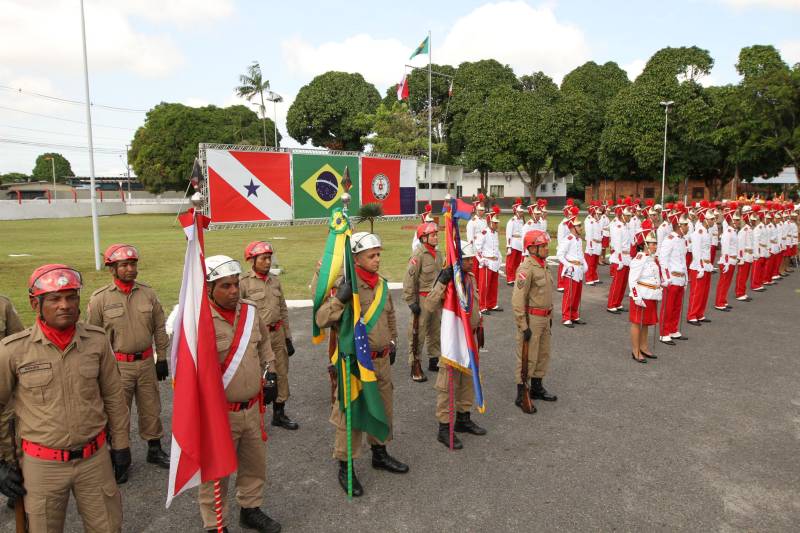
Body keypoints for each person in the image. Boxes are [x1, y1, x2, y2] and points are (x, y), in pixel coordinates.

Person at [0, 264, 129, 532]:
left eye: (71, 297)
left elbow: (114, 397)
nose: (64, 305)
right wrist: (1, 463)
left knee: (108, 527)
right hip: (41, 466)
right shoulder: (12, 351)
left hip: (94, 460)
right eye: (55, 299)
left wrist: (121, 445)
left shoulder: (96, 340)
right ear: (35, 304)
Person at [316, 232, 408, 497]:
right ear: (356, 258)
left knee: (384, 408)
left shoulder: (382, 285)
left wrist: (393, 342)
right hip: (355, 364)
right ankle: (346, 467)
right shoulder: (346, 286)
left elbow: (389, 316)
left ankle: (380, 453)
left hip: (381, 361)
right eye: (371, 255)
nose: (377, 260)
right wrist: (340, 298)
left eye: (379, 254)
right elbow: (322, 318)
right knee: (352, 415)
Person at [198, 255, 280, 533]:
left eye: (236, 284)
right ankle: (214, 524)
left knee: (254, 464)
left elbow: (264, 346)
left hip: (252, 409)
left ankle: (251, 509)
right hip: (220, 413)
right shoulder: (198, 321)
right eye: (225, 286)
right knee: (216, 473)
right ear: (208, 288)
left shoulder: (250, 312)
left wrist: (271, 375)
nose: (234, 291)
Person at [86, 244, 170, 481]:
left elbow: (159, 327)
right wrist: (96, 371)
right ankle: (119, 454)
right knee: (117, 412)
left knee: (151, 407)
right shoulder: (100, 299)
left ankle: (154, 449)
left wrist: (161, 357)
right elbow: (92, 338)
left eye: (133, 264)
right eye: (124, 265)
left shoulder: (148, 293)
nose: (130, 269)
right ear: (112, 269)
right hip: (117, 367)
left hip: (145, 362)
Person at [425, 241, 486, 449]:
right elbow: (430, 305)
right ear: (457, 261)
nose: (471, 262)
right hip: (453, 341)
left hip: (470, 339)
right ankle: (444, 428)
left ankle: (463, 418)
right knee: (448, 384)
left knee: (467, 380)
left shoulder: (470, 279)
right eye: (466, 259)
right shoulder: (449, 282)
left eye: (472, 258)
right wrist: (442, 281)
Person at [240, 241, 299, 431]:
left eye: (269, 258)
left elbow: (283, 310)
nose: (267, 262)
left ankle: (279, 414)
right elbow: (238, 316)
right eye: (263, 259)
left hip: (278, 334)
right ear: (252, 260)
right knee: (258, 377)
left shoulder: (275, 281)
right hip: (257, 339)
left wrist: (288, 338)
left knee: (281, 374)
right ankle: (256, 418)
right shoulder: (243, 284)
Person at [511, 230, 557, 413]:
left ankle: (537, 387)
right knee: (527, 357)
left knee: (543, 354)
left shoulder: (543, 265)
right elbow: (517, 299)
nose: (547, 248)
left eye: (546, 245)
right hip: (532, 319)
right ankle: (522, 393)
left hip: (545, 317)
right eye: (543, 246)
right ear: (532, 248)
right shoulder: (527, 268)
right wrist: (523, 324)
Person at [403, 222, 443, 380]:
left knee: (435, 330)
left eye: (436, 234)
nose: (436, 237)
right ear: (424, 238)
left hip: (436, 298)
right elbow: (409, 280)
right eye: (433, 235)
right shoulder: (418, 255)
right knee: (417, 333)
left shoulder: (438, 254)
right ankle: (415, 363)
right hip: (422, 299)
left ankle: (434, 358)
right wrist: (411, 301)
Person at [0, 295, 24, 510]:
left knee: (9, 437)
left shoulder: (3, 304)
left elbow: (19, 344)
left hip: (3, 385)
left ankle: (12, 480)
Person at [628, 227, 661, 362]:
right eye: (652, 243)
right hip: (641, 296)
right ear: (645, 245)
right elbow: (632, 280)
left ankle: (644, 347)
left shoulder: (651, 259)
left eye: (655, 243)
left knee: (646, 323)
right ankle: (635, 351)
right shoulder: (639, 259)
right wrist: (636, 297)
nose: (655, 245)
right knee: (637, 323)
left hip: (651, 295)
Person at [657, 207, 690, 345]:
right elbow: (662, 260)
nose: (688, 226)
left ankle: (673, 329)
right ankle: (664, 333)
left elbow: (683, 260)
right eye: (685, 224)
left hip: (681, 278)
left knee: (677, 306)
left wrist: (686, 278)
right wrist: (665, 278)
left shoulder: (682, 239)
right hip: (672, 278)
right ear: (678, 225)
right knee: (668, 306)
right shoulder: (669, 239)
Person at [556, 218, 588, 327]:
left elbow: (581, 255)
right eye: (578, 226)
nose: (581, 228)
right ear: (573, 228)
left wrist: (585, 264)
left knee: (577, 294)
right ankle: (566, 317)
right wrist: (568, 264)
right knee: (569, 295)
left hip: (578, 269)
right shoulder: (568, 239)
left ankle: (574, 315)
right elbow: (560, 254)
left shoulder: (578, 239)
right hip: (571, 270)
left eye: (580, 225)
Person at [687, 207, 714, 325]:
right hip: (699, 266)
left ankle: (700, 313)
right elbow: (696, 251)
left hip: (706, 265)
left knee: (704, 292)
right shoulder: (699, 232)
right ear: (705, 219)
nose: (713, 220)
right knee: (697, 292)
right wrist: (700, 267)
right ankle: (692, 315)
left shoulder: (706, 231)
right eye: (711, 219)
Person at [607, 202, 632, 313]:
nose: (630, 217)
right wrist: (620, 260)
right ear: (622, 215)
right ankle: (611, 304)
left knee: (623, 284)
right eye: (628, 215)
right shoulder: (618, 227)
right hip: (619, 258)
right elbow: (617, 245)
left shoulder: (625, 226)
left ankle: (618, 303)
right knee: (617, 283)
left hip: (626, 256)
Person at [476, 208, 502, 313]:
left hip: (495, 262)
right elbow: (477, 248)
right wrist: (481, 260)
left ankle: (492, 304)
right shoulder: (484, 233)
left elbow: (496, 247)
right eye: (495, 223)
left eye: (497, 223)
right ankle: (482, 306)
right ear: (490, 222)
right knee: (484, 286)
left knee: (493, 285)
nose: (496, 225)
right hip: (487, 262)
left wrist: (499, 257)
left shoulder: (495, 233)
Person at [714, 209, 741, 311]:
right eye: (736, 220)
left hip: (732, 260)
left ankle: (723, 300)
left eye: (738, 220)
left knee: (727, 283)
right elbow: (725, 248)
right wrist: (725, 262)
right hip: (727, 261)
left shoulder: (733, 231)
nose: (738, 221)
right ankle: (719, 303)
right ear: (732, 221)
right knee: (723, 283)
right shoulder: (728, 232)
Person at [735, 206, 754, 301]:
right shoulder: (744, 230)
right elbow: (741, 245)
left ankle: (743, 291)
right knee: (742, 276)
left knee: (745, 275)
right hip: (745, 255)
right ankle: (739, 293)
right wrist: (741, 258)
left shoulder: (748, 228)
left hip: (749, 255)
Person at [505, 199, 525, 285]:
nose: (521, 213)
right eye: (520, 212)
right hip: (513, 243)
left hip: (520, 243)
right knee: (511, 263)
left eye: (522, 212)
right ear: (516, 212)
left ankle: (515, 277)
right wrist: (508, 246)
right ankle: (510, 279)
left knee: (517, 263)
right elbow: (508, 234)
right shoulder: (511, 221)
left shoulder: (522, 221)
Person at [583, 202, 602, 285]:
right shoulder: (590, 221)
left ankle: (594, 277)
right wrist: (589, 246)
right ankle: (589, 279)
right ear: (594, 214)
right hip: (592, 244)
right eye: (598, 214)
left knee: (595, 263)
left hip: (598, 244)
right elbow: (589, 235)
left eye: (600, 214)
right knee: (590, 263)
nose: (600, 215)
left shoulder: (597, 221)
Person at [599, 200, 612, 265]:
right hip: (604, 234)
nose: (609, 212)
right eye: (608, 211)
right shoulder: (603, 217)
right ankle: (600, 260)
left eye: (609, 211)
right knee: (602, 248)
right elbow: (601, 227)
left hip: (606, 234)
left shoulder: (606, 217)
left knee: (604, 249)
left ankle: (603, 259)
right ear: (605, 211)